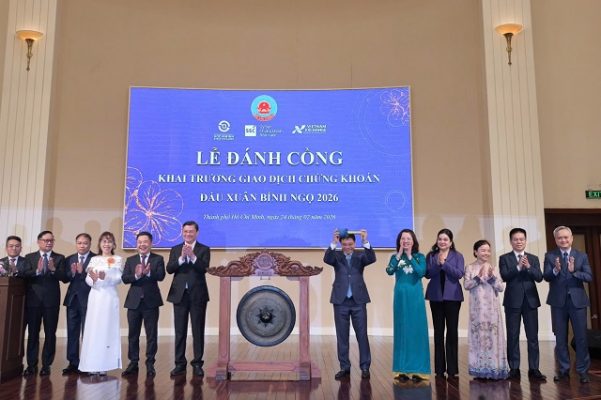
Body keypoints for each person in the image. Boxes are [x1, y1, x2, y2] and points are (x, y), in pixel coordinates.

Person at [323, 228, 376, 380]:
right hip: (340, 301)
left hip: (358, 301)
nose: (347, 247)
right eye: (345, 244)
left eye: (350, 244)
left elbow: (372, 258)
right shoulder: (336, 256)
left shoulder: (361, 255)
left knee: (362, 335)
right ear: (341, 244)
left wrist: (365, 241)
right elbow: (327, 259)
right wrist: (333, 242)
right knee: (342, 336)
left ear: (354, 243)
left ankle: (365, 367)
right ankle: (344, 367)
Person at [543, 225, 593, 384]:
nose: (563, 240)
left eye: (566, 237)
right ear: (555, 240)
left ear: (571, 238)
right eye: (560, 238)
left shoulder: (581, 256)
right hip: (558, 302)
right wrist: (556, 270)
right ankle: (563, 370)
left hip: (577, 302)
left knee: (581, 337)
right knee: (560, 338)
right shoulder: (550, 256)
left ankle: (582, 371)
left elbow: (589, 276)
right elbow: (546, 276)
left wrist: (573, 272)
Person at [499, 228, 546, 381]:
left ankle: (534, 368)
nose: (519, 242)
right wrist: (518, 267)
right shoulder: (504, 258)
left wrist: (529, 267)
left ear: (525, 240)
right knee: (513, 336)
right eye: (516, 239)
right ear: (510, 241)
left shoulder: (533, 258)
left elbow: (539, 277)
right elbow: (505, 276)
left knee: (533, 336)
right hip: (512, 302)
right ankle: (514, 368)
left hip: (530, 301)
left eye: (521, 239)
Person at [167, 221, 210, 377]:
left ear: (197, 233)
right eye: (185, 231)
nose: (188, 234)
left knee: (198, 330)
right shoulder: (175, 249)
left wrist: (192, 256)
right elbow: (169, 269)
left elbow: (204, 268)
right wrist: (181, 258)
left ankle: (197, 363)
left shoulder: (204, 249)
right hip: (179, 295)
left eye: (191, 231)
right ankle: (179, 364)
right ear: (182, 232)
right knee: (180, 331)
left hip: (198, 295)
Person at [387, 228, 430, 381]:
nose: (405, 241)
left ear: (413, 241)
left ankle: (419, 370)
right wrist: (399, 255)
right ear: (399, 241)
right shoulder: (395, 257)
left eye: (408, 239)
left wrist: (410, 256)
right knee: (402, 330)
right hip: (400, 297)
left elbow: (421, 272)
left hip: (415, 297)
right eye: (402, 238)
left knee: (416, 330)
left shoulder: (420, 257)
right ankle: (402, 370)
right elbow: (389, 270)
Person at [22, 230, 67, 377]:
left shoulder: (59, 258)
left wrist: (53, 270)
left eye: (51, 240)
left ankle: (46, 365)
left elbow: (65, 278)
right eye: (46, 240)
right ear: (38, 241)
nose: (49, 243)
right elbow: (24, 274)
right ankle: (31, 365)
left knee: (50, 333)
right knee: (33, 333)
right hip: (33, 301)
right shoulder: (29, 257)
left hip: (51, 301)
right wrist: (37, 270)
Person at [121, 231, 166, 378]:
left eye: (145, 242)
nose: (142, 244)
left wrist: (148, 273)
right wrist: (136, 275)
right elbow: (125, 278)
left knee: (151, 334)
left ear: (151, 243)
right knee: (133, 334)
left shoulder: (158, 259)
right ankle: (133, 362)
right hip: (133, 302)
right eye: (139, 242)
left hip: (151, 302)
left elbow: (161, 276)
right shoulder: (131, 260)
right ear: (136, 244)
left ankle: (150, 363)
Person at [78, 231, 123, 375]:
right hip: (96, 297)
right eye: (104, 241)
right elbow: (88, 279)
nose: (106, 244)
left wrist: (105, 277)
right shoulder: (94, 259)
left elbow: (118, 278)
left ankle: (104, 365)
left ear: (114, 244)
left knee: (106, 329)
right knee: (94, 329)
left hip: (109, 297)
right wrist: (94, 279)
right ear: (99, 244)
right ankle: (92, 365)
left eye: (109, 241)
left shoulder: (117, 259)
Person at [464, 239, 509, 380]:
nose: (486, 253)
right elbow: (466, 285)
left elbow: (500, 288)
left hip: (492, 310)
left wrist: (492, 278)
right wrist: (478, 278)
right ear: (475, 252)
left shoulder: (493, 268)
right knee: (478, 338)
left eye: (488, 250)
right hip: (477, 310)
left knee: (493, 338)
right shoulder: (470, 267)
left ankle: (495, 368)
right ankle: (479, 369)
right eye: (483, 250)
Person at [424, 228, 464, 379]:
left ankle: (452, 369)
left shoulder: (458, 256)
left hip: (453, 298)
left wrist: (444, 264)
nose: (442, 241)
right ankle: (439, 369)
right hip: (436, 298)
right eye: (440, 239)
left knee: (452, 332)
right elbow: (428, 274)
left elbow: (459, 274)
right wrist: (438, 263)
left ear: (451, 242)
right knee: (438, 332)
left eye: (445, 239)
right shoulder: (431, 255)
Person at [62, 233, 95, 375]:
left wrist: (82, 273)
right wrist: (71, 273)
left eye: (85, 243)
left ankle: (87, 362)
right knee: (72, 331)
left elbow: (96, 280)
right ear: (76, 244)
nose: (82, 246)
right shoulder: (69, 259)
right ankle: (73, 362)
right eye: (79, 243)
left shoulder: (95, 259)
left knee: (87, 332)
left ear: (90, 244)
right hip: (72, 300)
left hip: (89, 299)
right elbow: (64, 278)